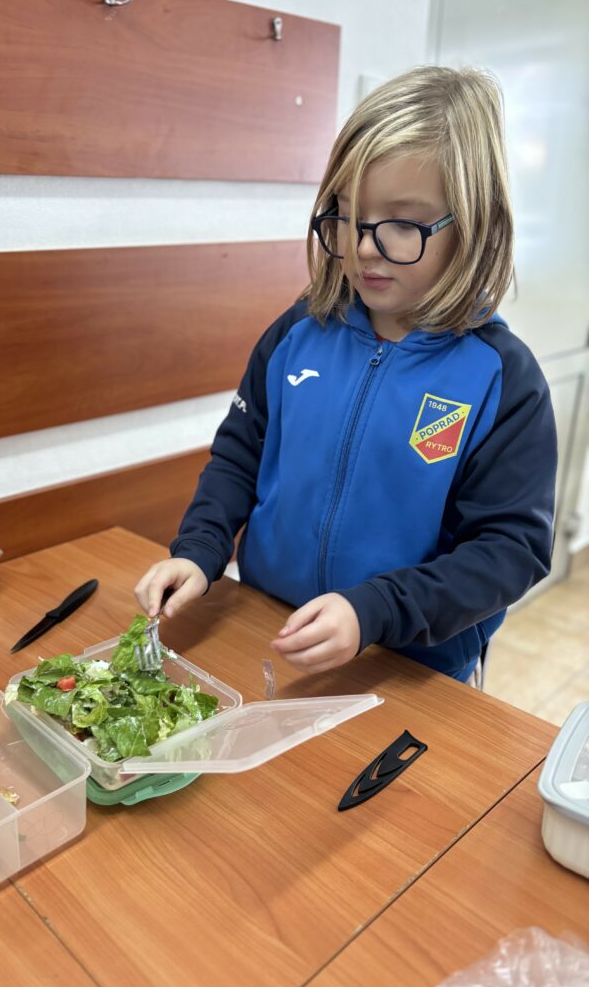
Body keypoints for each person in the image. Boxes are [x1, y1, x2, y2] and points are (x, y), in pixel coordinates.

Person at [134, 66, 557, 682]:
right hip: (273, 631)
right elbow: (239, 457)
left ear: (472, 226)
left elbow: (509, 551)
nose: (362, 249)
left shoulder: (503, 379)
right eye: (347, 216)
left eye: (402, 225)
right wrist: (200, 550)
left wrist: (375, 611)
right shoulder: (298, 331)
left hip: (410, 666)